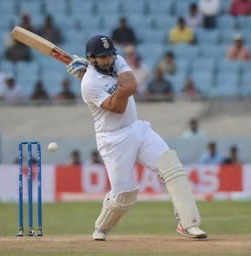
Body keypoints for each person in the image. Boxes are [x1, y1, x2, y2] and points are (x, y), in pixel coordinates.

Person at [66, 34, 207, 241]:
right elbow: (119, 106)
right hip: (112, 139)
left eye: (110, 55)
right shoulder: (89, 84)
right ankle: (102, 226)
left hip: (137, 128)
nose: (108, 59)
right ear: (92, 58)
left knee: (172, 166)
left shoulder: (117, 60)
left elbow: (133, 85)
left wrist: (118, 82)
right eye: (102, 57)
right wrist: (118, 83)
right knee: (125, 197)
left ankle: (189, 224)